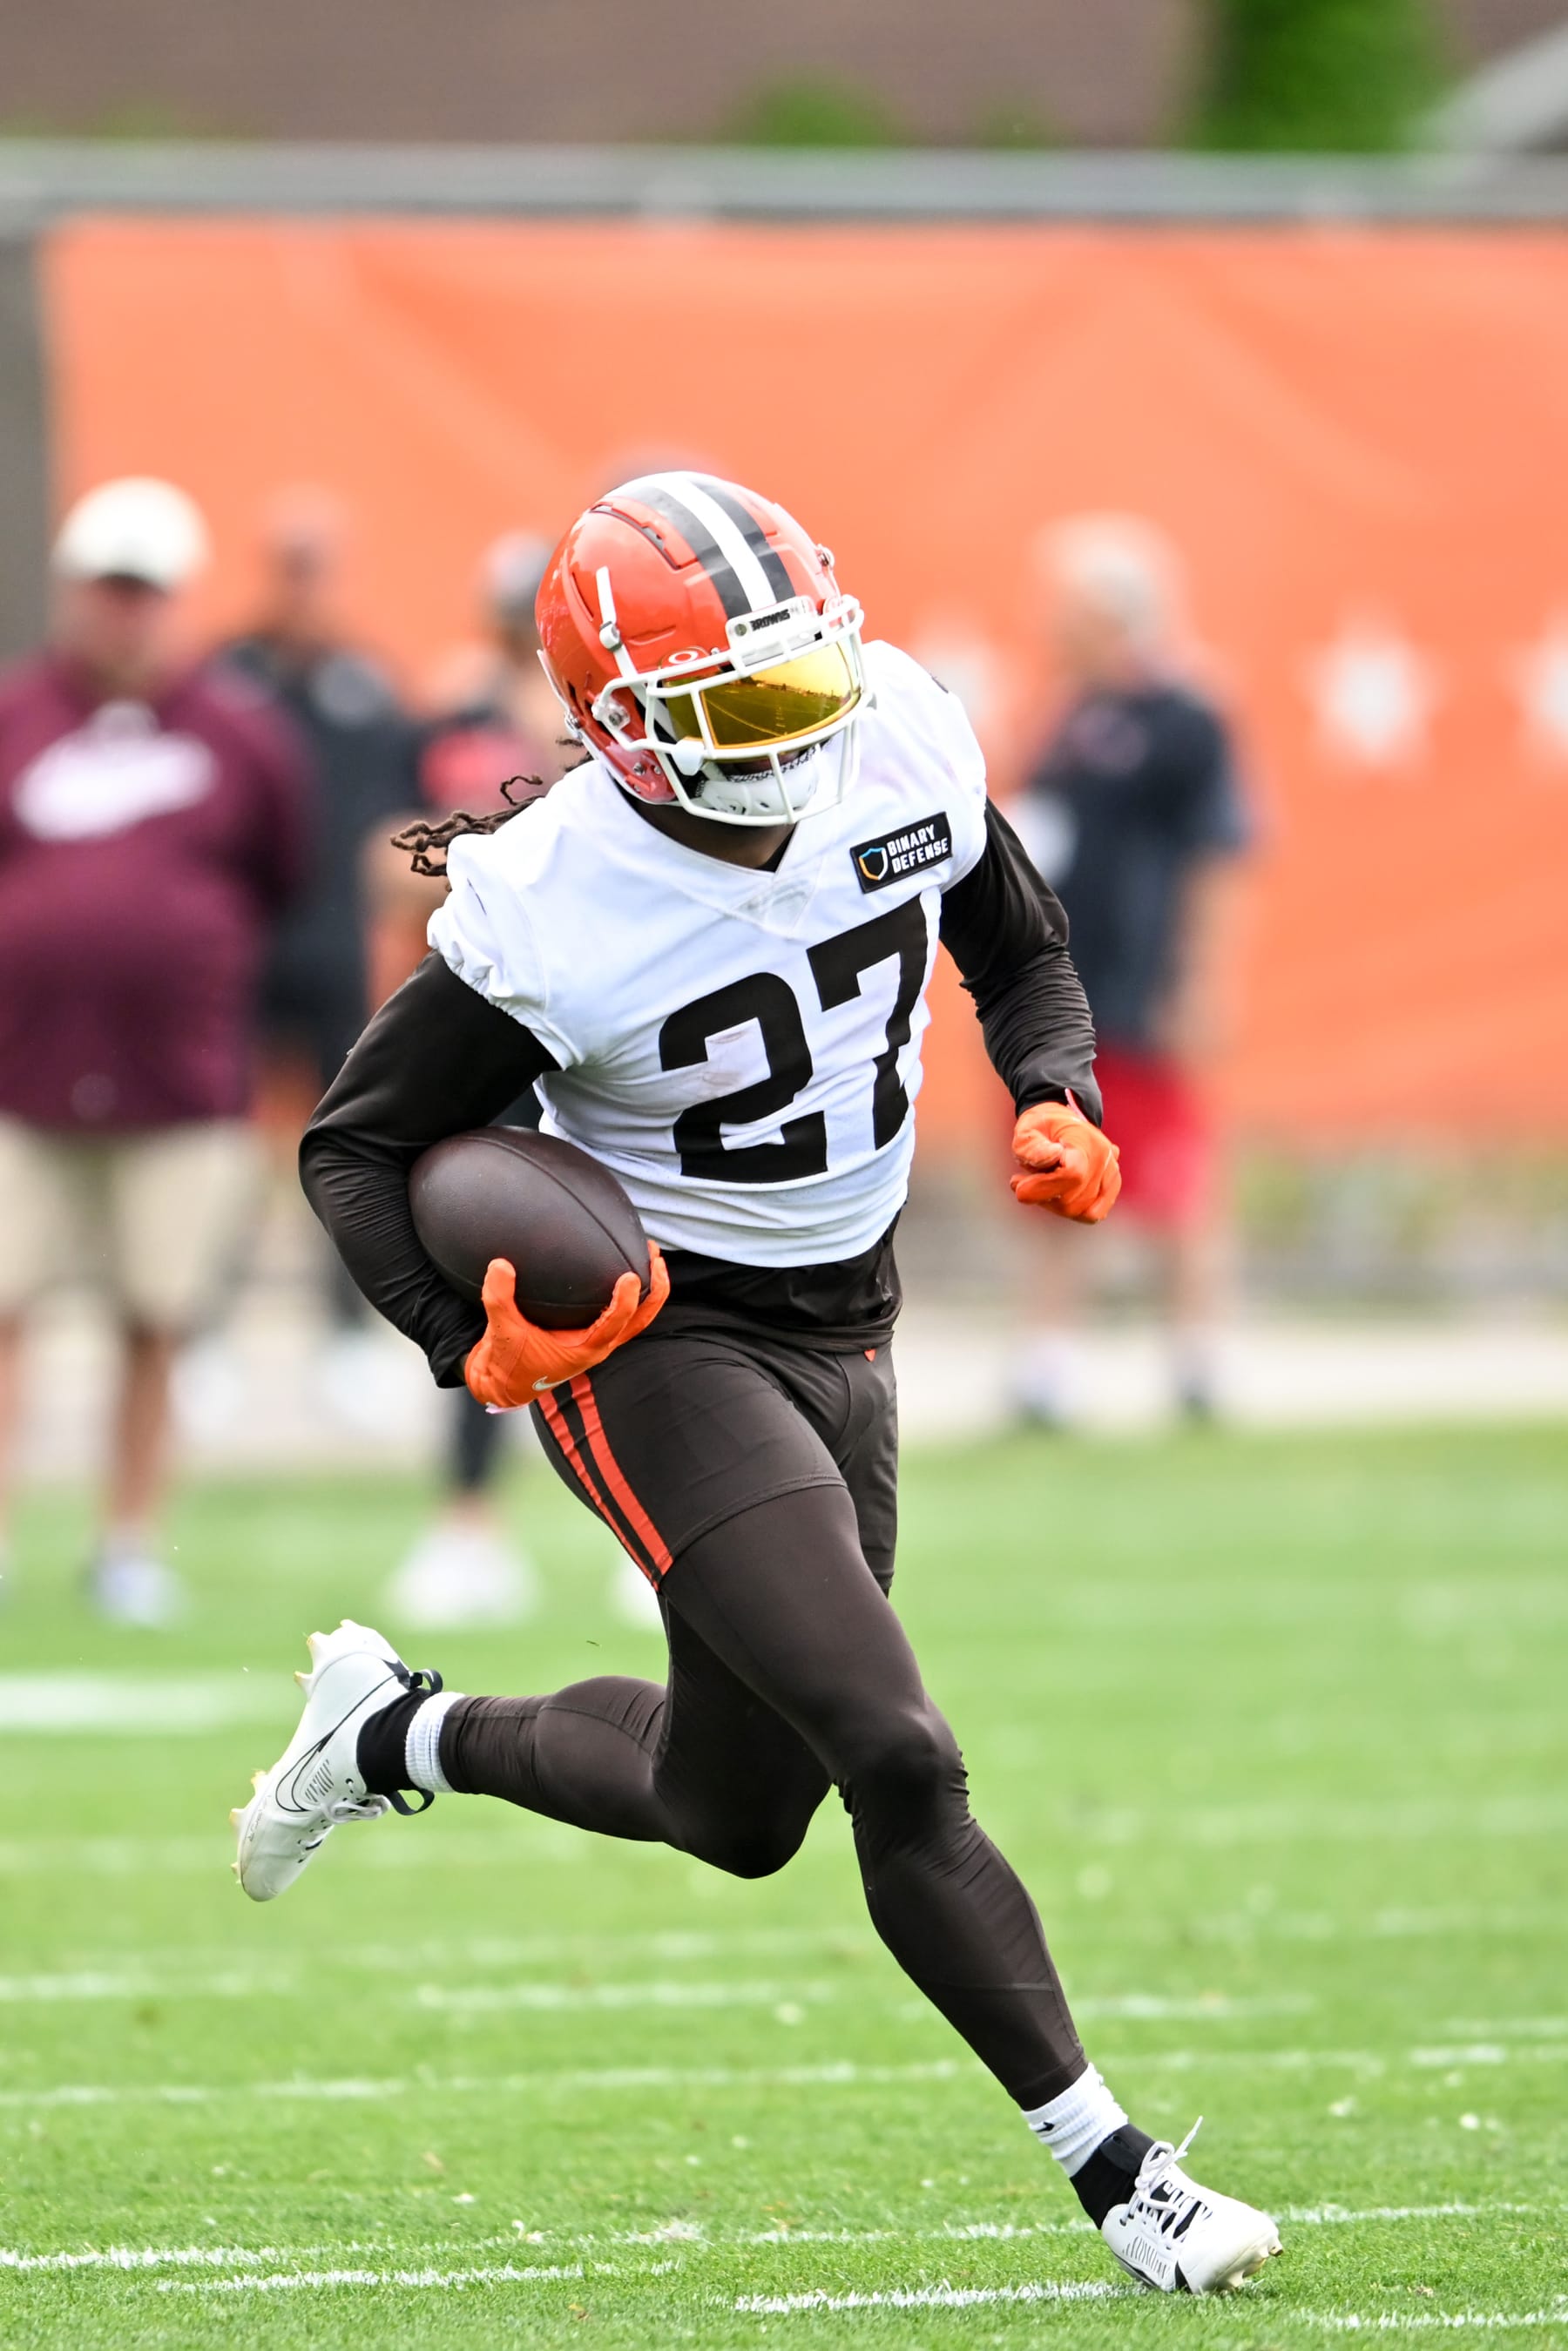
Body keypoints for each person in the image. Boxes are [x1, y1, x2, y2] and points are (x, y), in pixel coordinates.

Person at [233, 473, 1280, 2296]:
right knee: (898, 1747)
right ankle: (1126, 2174)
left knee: (740, 1808)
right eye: (747, 711)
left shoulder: (898, 734)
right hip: (662, 1332)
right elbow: (354, 1144)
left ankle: (392, 1730)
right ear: (620, 728)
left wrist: (1056, 1087)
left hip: (850, 1317)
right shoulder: (545, 898)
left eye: (807, 686)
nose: (800, 735)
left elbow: (1019, 945)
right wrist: (466, 1341)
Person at [0, 477, 306, 1623]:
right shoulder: (17, 718)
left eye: (144, 591)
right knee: (6, 1307)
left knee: (153, 1314)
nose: (124, 612)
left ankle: (127, 1538)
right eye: (106, 588)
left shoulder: (239, 737)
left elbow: (282, 874)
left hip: (178, 1083)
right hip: (19, 1075)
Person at [383, 531, 626, 1633]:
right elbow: (386, 858)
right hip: (487, 1026)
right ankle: (469, 1519)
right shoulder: (452, 728)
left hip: (607, 1033)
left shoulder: (617, 726)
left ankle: (652, 1531)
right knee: (491, 1265)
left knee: (632, 1272)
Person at [1011, 517, 1251, 1426]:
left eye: (1066, 606)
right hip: (1061, 988)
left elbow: (1218, 855)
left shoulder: (1185, 717)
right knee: (1053, 1166)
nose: (1048, 623)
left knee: (1171, 1176)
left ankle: (1198, 1358)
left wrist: (1203, 977)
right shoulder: (1070, 717)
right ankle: (1050, 1361)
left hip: (1140, 983)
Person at [220, 490, 419, 1426]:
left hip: (336, 950)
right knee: (223, 1145)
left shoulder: (367, 689)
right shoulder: (230, 680)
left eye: (317, 565)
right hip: (241, 953)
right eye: (290, 563)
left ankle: (349, 1331)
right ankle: (208, 1332)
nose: (304, 584)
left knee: (345, 1144)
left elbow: (400, 817)